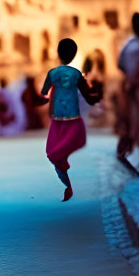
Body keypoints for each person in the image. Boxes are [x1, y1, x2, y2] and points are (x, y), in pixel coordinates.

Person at [39, 38, 103, 201]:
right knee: (63, 152)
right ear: (74, 55)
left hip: (58, 121)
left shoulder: (52, 74)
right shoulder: (76, 75)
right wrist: (99, 97)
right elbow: (89, 97)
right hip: (73, 120)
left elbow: (44, 93)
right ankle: (70, 184)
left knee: (53, 153)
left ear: (58, 54)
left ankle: (67, 183)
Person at [116, 13, 139, 161]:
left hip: (128, 87)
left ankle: (129, 151)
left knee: (129, 119)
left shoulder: (127, 46)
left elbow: (120, 65)